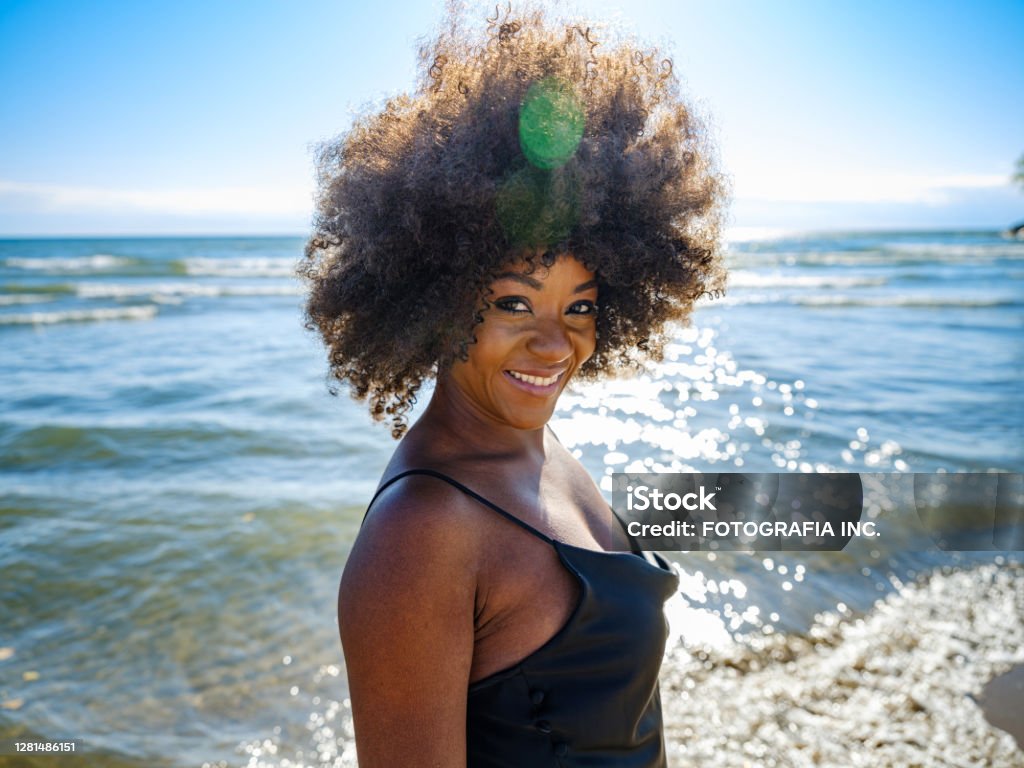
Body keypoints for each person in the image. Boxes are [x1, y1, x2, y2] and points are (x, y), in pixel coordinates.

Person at [300, 3, 726, 765]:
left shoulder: (538, 446)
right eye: (514, 303)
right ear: (437, 292)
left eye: (582, 305)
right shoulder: (421, 534)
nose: (556, 342)